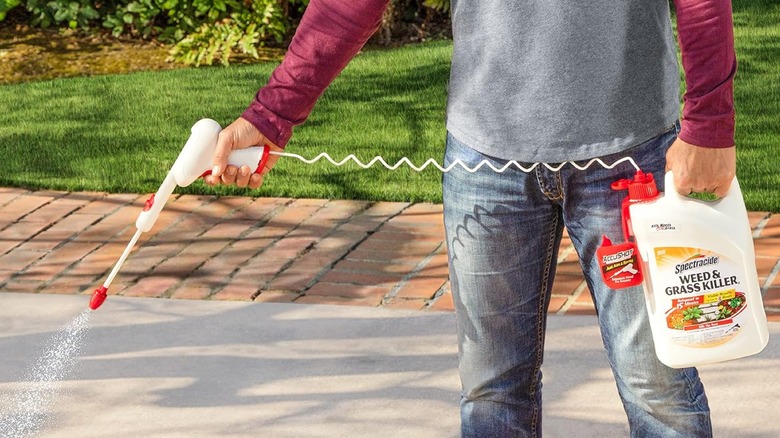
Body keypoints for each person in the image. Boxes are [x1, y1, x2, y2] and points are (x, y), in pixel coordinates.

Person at [205, 0, 737, 436]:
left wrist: (711, 125)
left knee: (657, 386)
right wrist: (271, 114)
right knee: (491, 391)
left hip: (630, 155)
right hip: (485, 162)